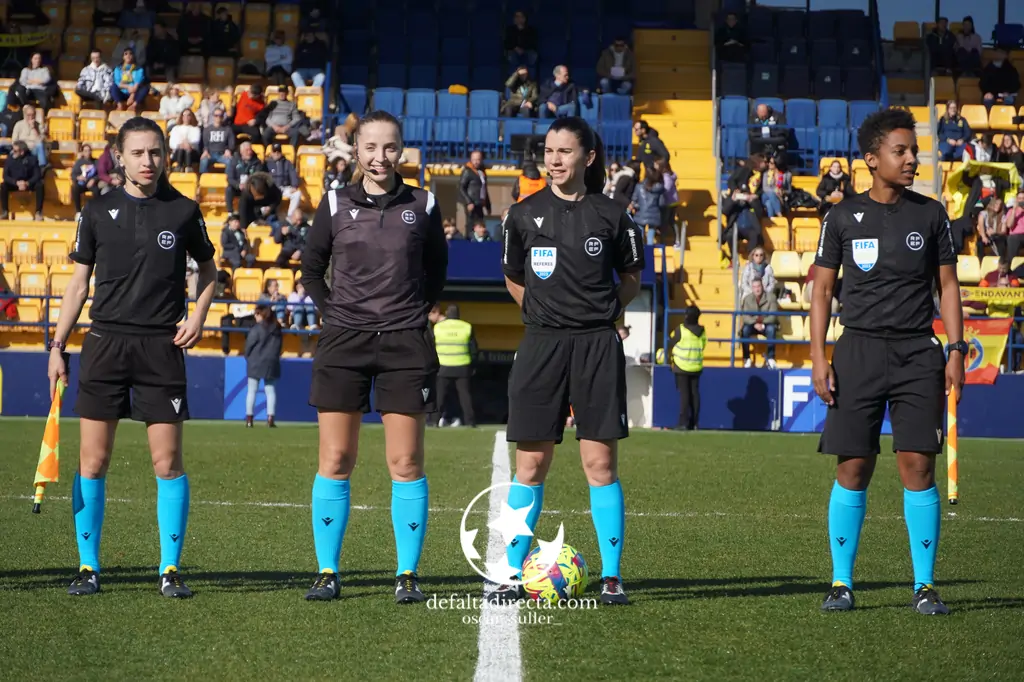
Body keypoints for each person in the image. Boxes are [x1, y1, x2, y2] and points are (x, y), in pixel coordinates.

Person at [47, 117, 218, 598]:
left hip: (161, 349)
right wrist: (57, 347)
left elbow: (209, 273)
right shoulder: (95, 211)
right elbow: (78, 286)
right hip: (104, 345)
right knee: (93, 461)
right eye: (139, 153)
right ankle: (88, 566)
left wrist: (199, 315)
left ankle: (169, 568)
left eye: (156, 153)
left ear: (166, 156)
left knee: (167, 463)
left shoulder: (184, 211)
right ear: (119, 157)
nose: (149, 161)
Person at [810, 108, 965, 616]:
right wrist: (818, 357)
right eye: (900, 151)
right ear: (871, 158)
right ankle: (841, 583)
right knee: (854, 466)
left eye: (913, 152)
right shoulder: (841, 217)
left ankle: (924, 586)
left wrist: (957, 349)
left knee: (917, 465)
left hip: (918, 352)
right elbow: (823, 291)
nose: (911, 160)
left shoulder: (931, 214)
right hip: (857, 351)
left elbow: (947, 286)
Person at [494, 117, 645, 606]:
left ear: (589, 157)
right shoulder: (521, 214)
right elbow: (514, 278)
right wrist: (544, 314)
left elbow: (630, 279)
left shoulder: (614, 216)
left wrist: (597, 314)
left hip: (597, 345)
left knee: (599, 463)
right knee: (531, 464)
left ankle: (612, 577)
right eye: (548, 151)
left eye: (564, 151)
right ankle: (513, 571)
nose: (554, 160)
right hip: (541, 345)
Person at [299, 110, 447, 603]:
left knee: (405, 461)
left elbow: (436, 272)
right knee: (337, 458)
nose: (379, 157)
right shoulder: (335, 201)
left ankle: (407, 573)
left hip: (406, 342)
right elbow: (312, 267)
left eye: (389, 148)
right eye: (370, 148)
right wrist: (333, 312)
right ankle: (327, 571)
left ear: (400, 151)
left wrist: (411, 311)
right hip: (344, 341)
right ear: (356, 151)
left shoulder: (424, 204)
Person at [431, 304, 478, 428]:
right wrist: (473, 365)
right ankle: (470, 422)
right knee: (465, 396)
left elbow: (431, 347)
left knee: (439, 396)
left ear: (446, 313)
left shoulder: (438, 328)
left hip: (443, 367)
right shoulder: (466, 327)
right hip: (462, 366)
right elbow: (473, 349)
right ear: (458, 314)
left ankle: (434, 421)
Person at [244, 304, 283, 428]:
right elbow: (279, 347)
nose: (255, 316)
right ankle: (270, 418)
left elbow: (249, 346)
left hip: (255, 362)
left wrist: (248, 357)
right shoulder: (277, 329)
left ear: (261, 314)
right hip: (271, 362)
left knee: (252, 391)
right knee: (270, 391)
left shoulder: (256, 329)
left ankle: (249, 419)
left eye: (256, 314)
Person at [668, 305, 706, 431]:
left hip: (681, 366)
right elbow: (703, 345)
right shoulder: (702, 331)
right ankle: (694, 423)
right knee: (695, 394)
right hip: (696, 366)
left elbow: (671, 342)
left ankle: (682, 423)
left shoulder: (681, 329)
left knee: (684, 395)